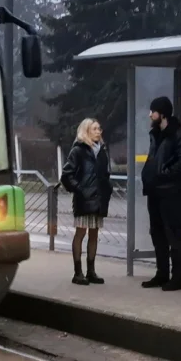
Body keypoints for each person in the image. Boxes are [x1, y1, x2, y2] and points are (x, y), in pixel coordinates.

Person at [141, 96, 181, 291]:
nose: (150, 114)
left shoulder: (178, 134)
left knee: (173, 234)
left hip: (170, 192)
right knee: (157, 233)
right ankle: (161, 274)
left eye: (153, 111)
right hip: (154, 191)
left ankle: (177, 278)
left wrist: (165, 174)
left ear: (161, 113)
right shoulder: (155, 134)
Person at [60, 118, 113, 285]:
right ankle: (78, 273)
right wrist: (81, 190)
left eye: (99, 128)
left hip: (99, 200)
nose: (99, 131)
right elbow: (66, 175)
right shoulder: (78, 150)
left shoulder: (102, 151)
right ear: (86, 131)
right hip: (84, 199)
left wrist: (107, 189)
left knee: (94, 234)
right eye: (95, 129)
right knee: (81, 233)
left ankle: (91, 272)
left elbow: (105, 174)